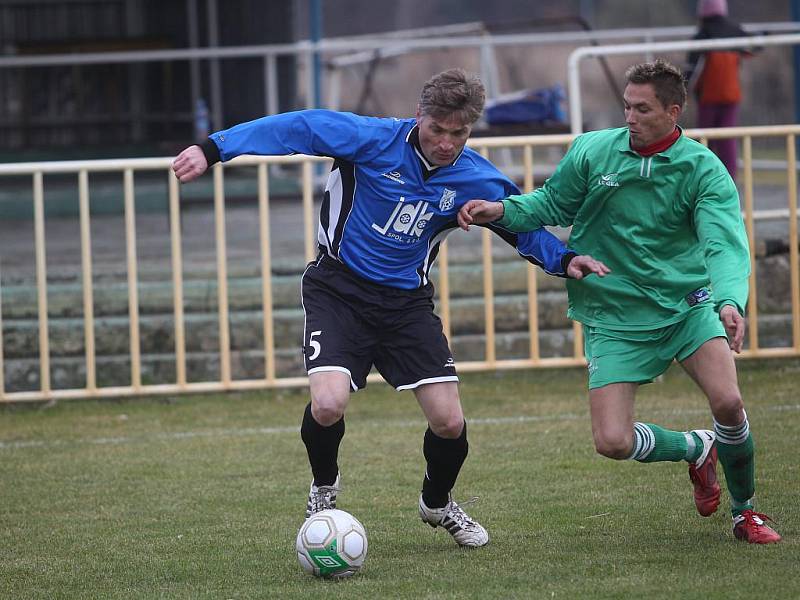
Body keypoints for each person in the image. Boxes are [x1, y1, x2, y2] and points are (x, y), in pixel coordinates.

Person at [172, 68, 609, 548]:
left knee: (449, 422)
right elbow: (299, 126)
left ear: (471, 128)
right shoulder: (370, 139)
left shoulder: (477, 177)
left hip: (406, 304)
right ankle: (323, 489)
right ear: (419, 115)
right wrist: (214, 149)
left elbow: (519, 224)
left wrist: (564, 258)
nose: (446, 142)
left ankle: (438, 503)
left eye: (458, 133)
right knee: (328, 402)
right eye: (437, 130)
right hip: (338, 289)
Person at [458, 59, 781, 544]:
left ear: (673, 111)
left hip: (686, 305)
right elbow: (552, 205)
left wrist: (730, 301)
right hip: (613, 310)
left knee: (729, 400)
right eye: (626, 106)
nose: (629, 116)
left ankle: (745, 512)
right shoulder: (593, 150)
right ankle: (695, 447)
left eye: (642, 108)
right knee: (612, 441)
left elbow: (723, 243)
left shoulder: (702, 168)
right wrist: (501, 210)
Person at [684, 0, 752, 179]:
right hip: (731, 94)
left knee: (705, 138)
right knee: (728, 138)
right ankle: (730, 178)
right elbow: (754, 46)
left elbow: (692, 68)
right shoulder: (735, 31)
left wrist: (683, 88)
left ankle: (702, 176)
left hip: (708, 95)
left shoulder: (702, 35)